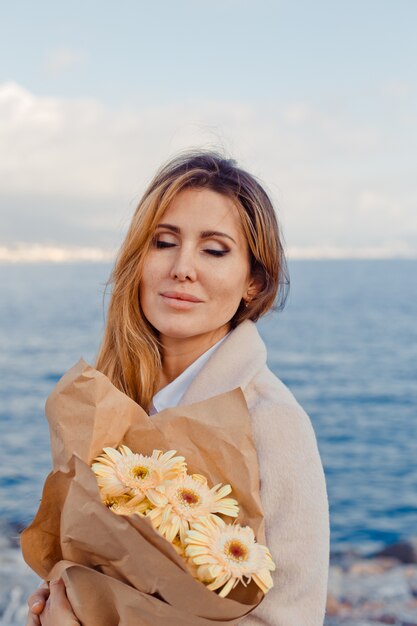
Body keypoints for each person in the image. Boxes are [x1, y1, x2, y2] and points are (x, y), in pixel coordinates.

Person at [26, 150, 330, 625]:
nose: (182, 267)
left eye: (214, 250)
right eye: (164, 242)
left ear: (253, 281)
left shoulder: (273, 422)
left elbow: (290, 619)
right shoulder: (105, 400)